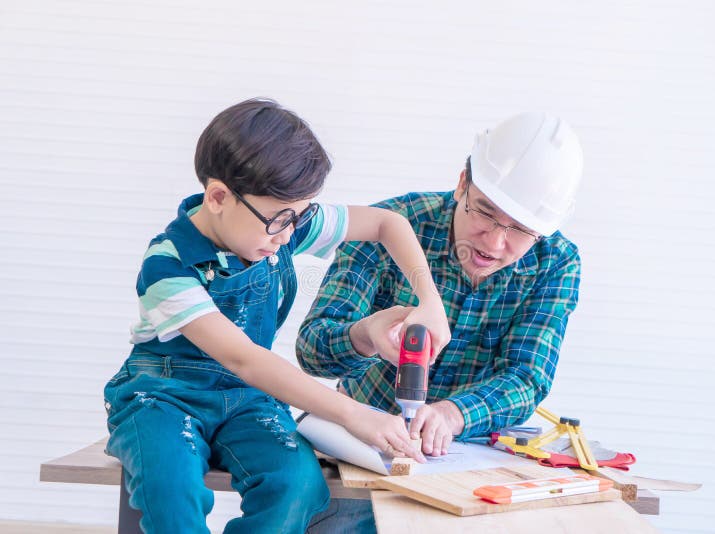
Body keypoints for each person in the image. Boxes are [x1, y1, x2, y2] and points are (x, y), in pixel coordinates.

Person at [102, 98, 450, 533]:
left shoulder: (281, 219)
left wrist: (429, 300)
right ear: (217, 197)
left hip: (247, 397)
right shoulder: (169, 264)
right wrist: (353, 412)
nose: (288, 235)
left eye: (298, 217)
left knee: (298, 485)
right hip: (164, 395)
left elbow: (387, 224)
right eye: (278, 220)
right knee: (170, 490)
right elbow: (244, 358)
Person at [298, 111, 583, 455]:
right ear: (463, 183)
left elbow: (527, 377)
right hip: (362, 439)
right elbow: (311, 352)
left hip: (468, 451)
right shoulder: (389, 226)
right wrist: (366, 334)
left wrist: (453, 414)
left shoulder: (556, 262)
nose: (493, 243)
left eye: (520, 229)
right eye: (485, 212)